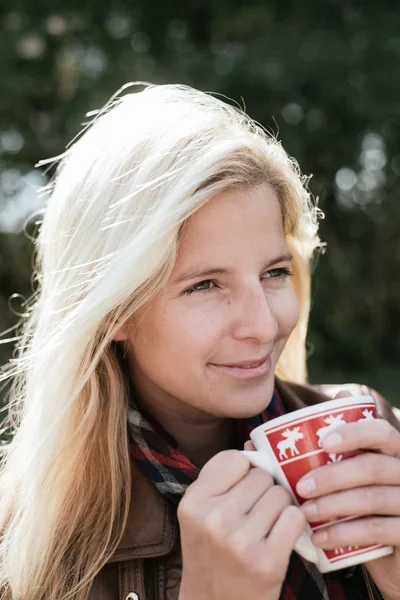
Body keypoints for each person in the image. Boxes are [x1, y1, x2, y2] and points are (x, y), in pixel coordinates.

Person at [0, 83, 399, 600]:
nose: (262, 324)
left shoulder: (375, 439)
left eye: (275, 272)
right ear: (112, 308)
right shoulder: (20, 542)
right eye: (205, 284)